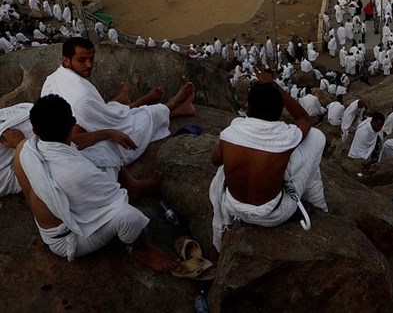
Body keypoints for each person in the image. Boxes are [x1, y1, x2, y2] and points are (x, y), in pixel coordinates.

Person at [14, 95, 177, 271]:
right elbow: (117, 201)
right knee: (129, 218)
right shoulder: (75, 173)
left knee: (106, 146)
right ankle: (144, 250)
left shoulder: (24, 147)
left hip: (53, 215)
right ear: (73, 123)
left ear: (35, 130)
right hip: (69, 239)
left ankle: (134, 186)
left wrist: (109, 133)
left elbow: (75, 143)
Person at [209, 69, 328, 251]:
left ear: (248, 107)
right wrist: (275, 86)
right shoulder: (287, 136)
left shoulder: (231, 132)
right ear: (280, 111)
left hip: (234, 207)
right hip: (273, 215)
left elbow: (215, 161)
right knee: (317, 137)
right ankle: (310, 203)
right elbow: (304, 119)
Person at [41, 38, 195, 167]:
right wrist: (110, 131)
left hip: (85, 129)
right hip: (81, 152)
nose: (89, 65)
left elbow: (98, 114)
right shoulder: (81, 97)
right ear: (66, 61)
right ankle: (172, 104)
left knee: (120, 112)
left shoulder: (52, 79)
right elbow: (112, 124)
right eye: (82, 60)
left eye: (91, 58)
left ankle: (132, 103)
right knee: (148, 115)